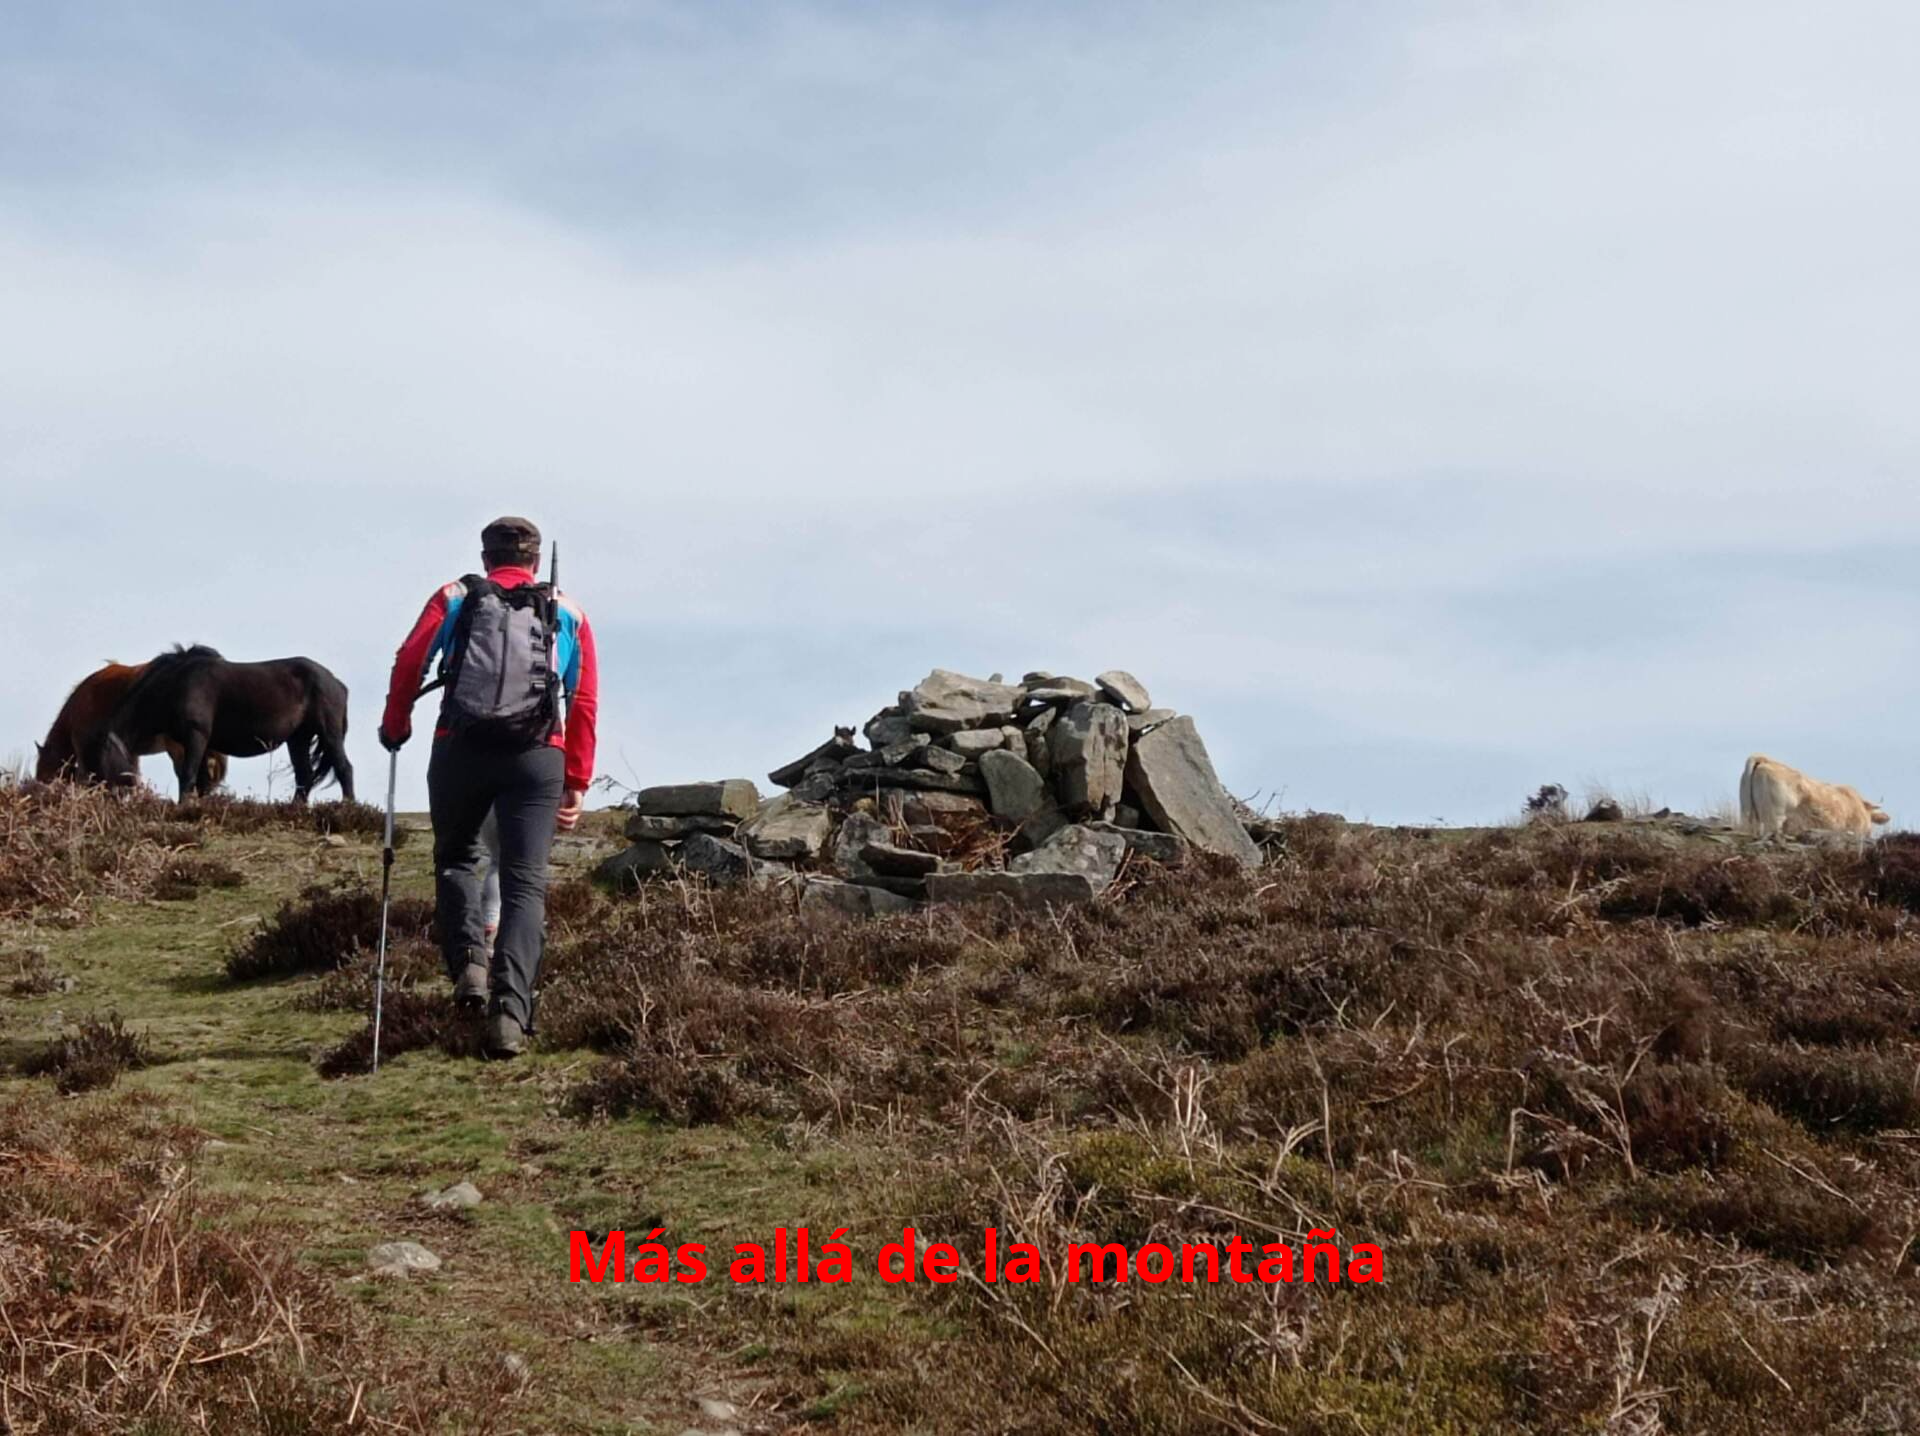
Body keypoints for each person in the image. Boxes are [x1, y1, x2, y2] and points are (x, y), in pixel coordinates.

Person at [378, 517, 599, 1059]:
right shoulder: (565, 609)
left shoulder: (456, 596)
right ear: (533, 558)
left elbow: (411, 659)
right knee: (525, 884)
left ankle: (471, 969)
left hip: (461, 747)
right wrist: (576, 780)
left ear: (485, 557)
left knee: (455, 859)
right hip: (536, 755)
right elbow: (585, 698)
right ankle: (510, 1014)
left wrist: (396, 720)